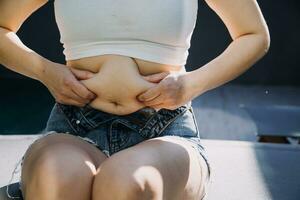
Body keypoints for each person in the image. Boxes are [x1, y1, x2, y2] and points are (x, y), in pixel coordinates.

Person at [0, 0, 270, 199]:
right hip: (74, 126)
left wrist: (190, 85)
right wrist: (46, 72)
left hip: (163, 131)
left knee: (125, 183)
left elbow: (253, 35)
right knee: (58, 177)